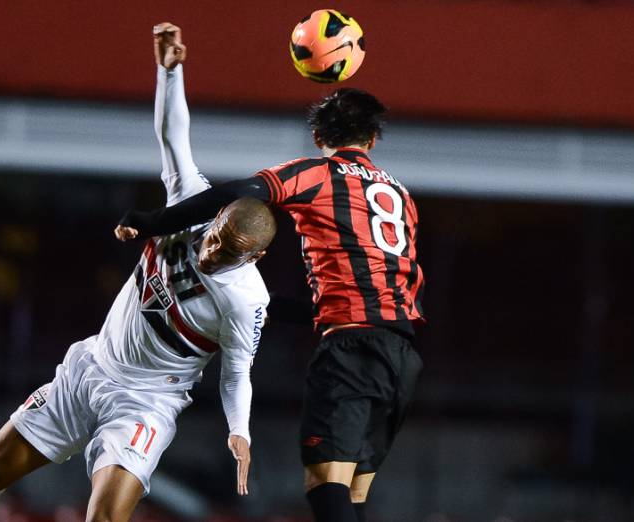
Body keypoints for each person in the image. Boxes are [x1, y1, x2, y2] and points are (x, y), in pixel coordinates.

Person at [0, 23, 276, 522]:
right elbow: (173, 137)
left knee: (103, 517)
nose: (210, 252)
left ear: (253, 259)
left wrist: (239, 430)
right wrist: (170, 72)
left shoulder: (247, 300)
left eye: (228, 253)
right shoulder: (190, 205)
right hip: (87, 370)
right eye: (214, 238)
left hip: (145, 403)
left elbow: (236, 372)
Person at [118, 81, 426, 521]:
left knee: (326, 488)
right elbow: (378, 287)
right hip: (401, 355)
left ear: (320, 138)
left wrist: (154, 221)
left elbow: (237, 194)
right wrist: (277, 307)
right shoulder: (401, 196)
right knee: (352, 496)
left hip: (351, 349)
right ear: (372, 139)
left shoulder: (318, 174)